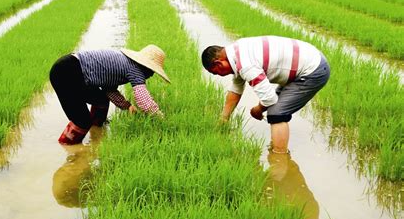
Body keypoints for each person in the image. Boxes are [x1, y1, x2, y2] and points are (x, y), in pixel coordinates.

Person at [201, 35, 330, 153]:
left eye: (216, 73)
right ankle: (277, 149)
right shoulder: (236, 52)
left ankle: (280, 157)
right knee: (275, 108)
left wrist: (257, 110)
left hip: (313, 69)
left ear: (219, 63)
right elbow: (236, 88)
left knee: (276, 113)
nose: (220, 75)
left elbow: (269, 99)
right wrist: (223, 119)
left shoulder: (246, 66)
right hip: (308, 58)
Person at [49, 44, 170, 145]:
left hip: (71, 68)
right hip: (66, 73)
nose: (152, 75)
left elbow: (109, 90)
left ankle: (96, 130)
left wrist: (127, 106)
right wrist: (161, 119)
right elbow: (144, 101)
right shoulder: (136, 70)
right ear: (146, 67)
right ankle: (68, 146)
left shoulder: (126, 63)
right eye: (152, 71)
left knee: (101, 100)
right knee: (82, 121)